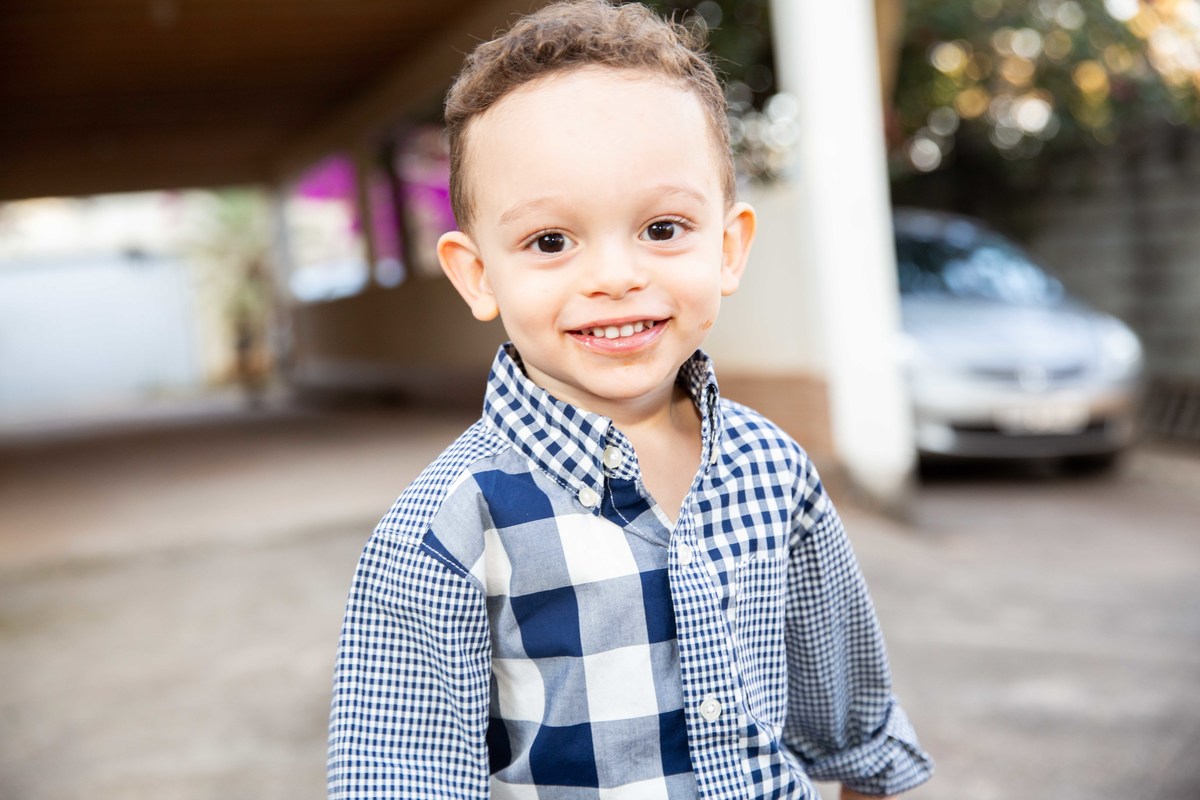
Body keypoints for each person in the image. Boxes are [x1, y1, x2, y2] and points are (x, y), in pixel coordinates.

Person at [327, 1, 934, 798]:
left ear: (727, 247)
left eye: (661, 228)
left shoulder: (774, 473)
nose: (615, 277)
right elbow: (397, 781)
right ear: (477, 274)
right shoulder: (446, 531)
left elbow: (850, 719)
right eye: (551, 241)